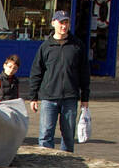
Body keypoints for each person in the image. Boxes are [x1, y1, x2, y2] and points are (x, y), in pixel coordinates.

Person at [28, 10, 89, 152]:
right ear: (53, 23)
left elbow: (84, 73)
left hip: (70, 97)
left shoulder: (77, 46)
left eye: (66, 22)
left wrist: (85, 98)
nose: (64, 26)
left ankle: (67, 163)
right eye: (61, 22)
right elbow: (37, 72)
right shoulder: (45, 47)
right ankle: (45, 162)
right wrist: (33, 97)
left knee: (68, 135)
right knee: (45, 134)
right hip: (49, 97)